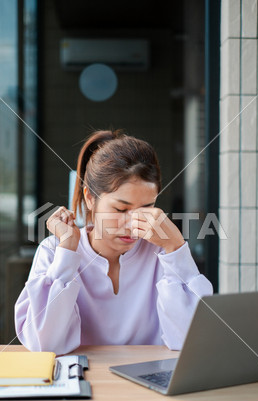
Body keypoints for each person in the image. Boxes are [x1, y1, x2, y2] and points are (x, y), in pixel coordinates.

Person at [14, 130, 213, 355]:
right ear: (90, 198)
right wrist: (67, 253)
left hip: (150, 383)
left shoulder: (163, 253)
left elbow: (194, 343)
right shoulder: (53, 252)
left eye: (146, 208)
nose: (132, 223)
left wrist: (176, 248)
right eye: (120, 209)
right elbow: (45, 345)